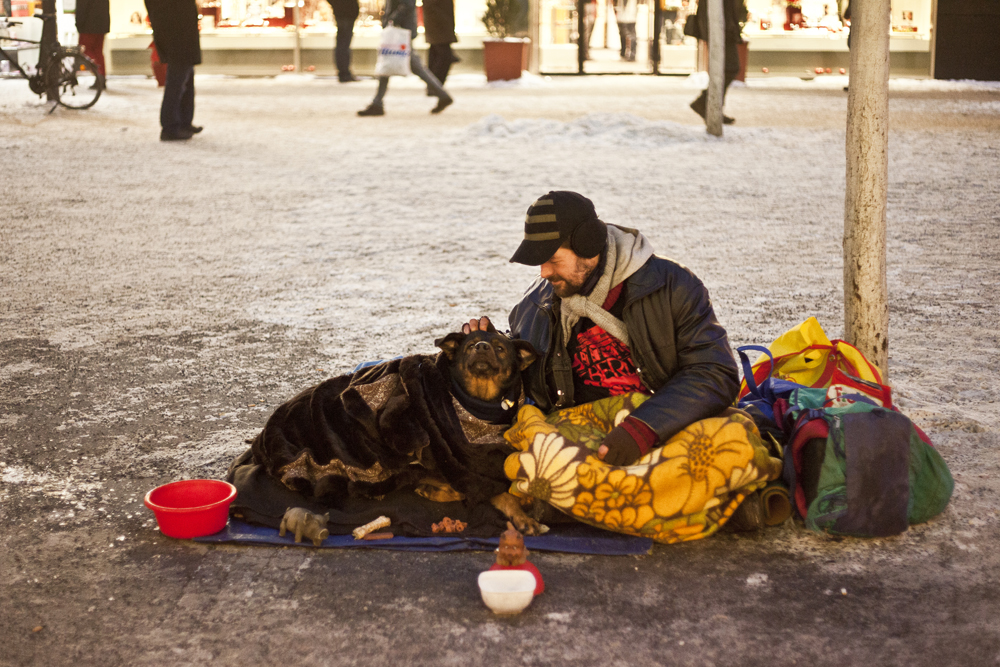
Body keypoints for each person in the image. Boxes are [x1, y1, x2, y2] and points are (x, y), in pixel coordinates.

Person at [466, 191, 739, 468]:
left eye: (553, 259)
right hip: (579, 434)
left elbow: (715, 372)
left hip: (661, 426)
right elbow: (529, 379)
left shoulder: (673, 286)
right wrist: (494, 350)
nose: (543, 273)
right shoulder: (535, 304)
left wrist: (644, 428)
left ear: (589, 245)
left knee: (734, 443)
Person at [357, 0, 452, 116]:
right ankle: (443, 95)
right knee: (391, 64)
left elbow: (407, 4)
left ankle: (377, 103)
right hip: (400, 28)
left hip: (400, 29)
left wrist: (392, 20)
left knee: (391, 64)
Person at [144, 0, 202, 141]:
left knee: (186, 76)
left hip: (181, 29)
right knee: (177, 79)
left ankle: (184, 121)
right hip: (175, 31)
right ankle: (170, 126)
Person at [686, 0, 743, 125]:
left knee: (727, 68)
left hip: (725, 29)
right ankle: (707, 103)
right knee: (730, 67)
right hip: (723, 30)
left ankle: (711, 105)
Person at [422, 0, 459, 88]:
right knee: (444, 56)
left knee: (436, 55)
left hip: (440, 27)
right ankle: (435, 85)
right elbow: (431, 7)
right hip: (439, 27)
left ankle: (433, 85)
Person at [75, 0, 109, 83]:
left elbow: (82, 8)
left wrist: (79, 24)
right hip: (101, 25)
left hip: (88, 25)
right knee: (97, 51)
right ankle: (101, 75)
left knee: (85, 50)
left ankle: (99, 74)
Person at [327, 0, 359, 82]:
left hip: (344, 13)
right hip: (345, 13)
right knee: (343, 44)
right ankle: (344, 72)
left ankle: (344, 71)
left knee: (343, 43)